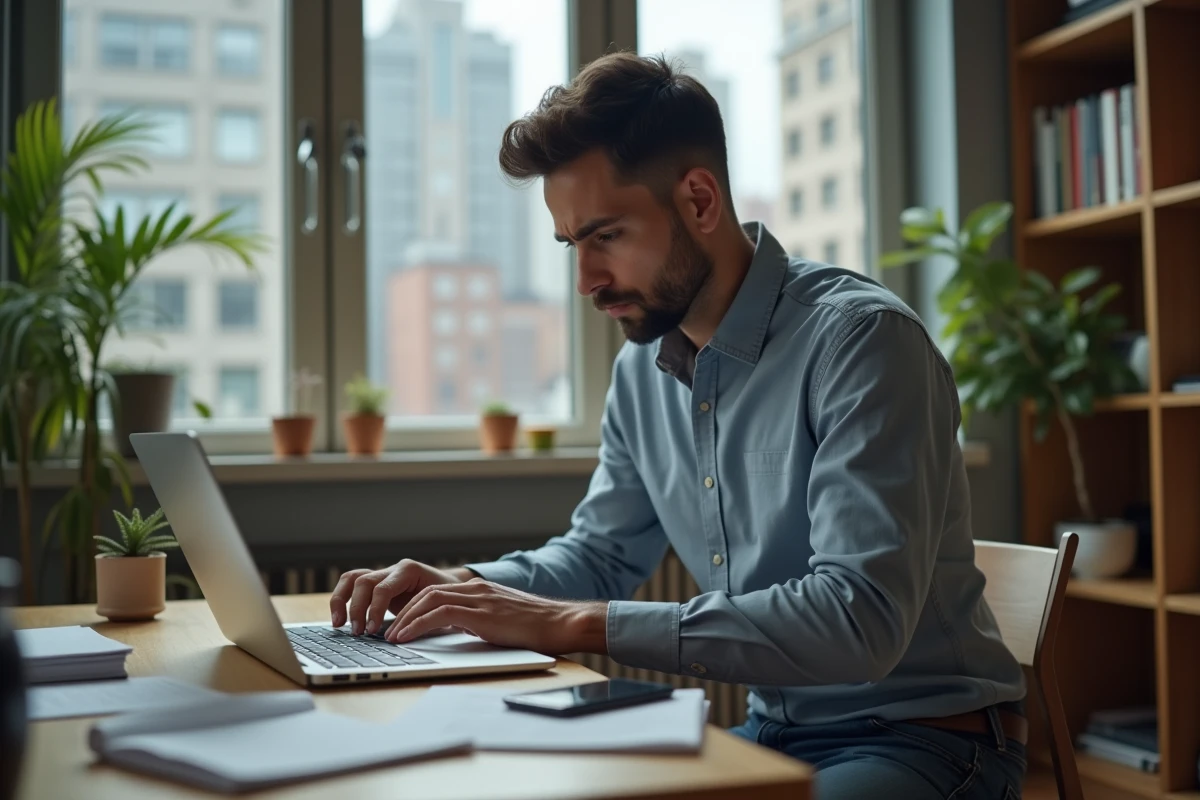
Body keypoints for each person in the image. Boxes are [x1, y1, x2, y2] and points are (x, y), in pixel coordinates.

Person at [329, 51, 1027, 799]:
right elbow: (599, 555)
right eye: (573, 245)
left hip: (926, 742)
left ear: (700, 201)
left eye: (607, 236)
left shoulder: (862, 343)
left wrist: (573, 625)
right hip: (773, 734)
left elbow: (858, 623)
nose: (585, 281)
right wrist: (460, 589)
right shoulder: (642, 371)